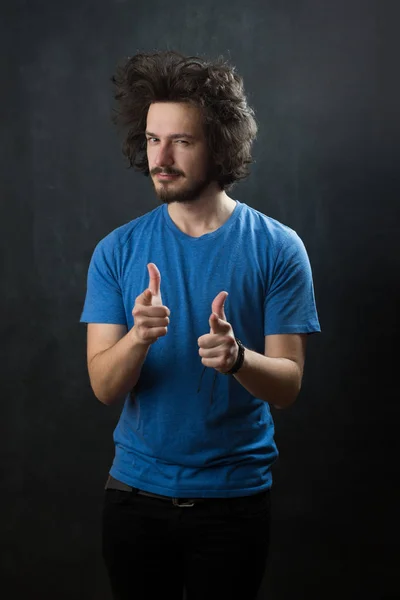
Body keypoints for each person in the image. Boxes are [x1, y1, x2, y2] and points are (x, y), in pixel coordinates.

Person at [80, 50, 320, 600]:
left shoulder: (279, 249)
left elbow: (287, 385)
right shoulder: (116, 251)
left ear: (221, 145)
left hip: (234, 502)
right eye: (151, 140)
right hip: (134, 499)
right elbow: (102, 386)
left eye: (181, 141)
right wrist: (138, 339)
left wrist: (238, 359)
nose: (160, 158)